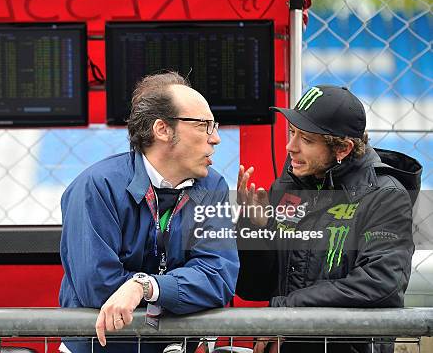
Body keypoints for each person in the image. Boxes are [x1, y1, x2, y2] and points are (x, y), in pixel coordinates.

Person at [59, 72, 239, 352]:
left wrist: (146, 287)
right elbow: (98, 289)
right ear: (162, 129)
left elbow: (218, 278)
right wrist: (177, 291)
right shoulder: (96, 186)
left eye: (214, 125)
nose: (215, 138)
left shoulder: (212, 184)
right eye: (204, 125)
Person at [235, 85, 422, 353]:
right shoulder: (288, 186)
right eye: (292, 133)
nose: (291, 147)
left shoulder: (386, 196)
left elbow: (381, 283)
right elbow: (254, 287)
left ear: (343, 149)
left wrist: (289, 309)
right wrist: (256, 228)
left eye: (306, 140)